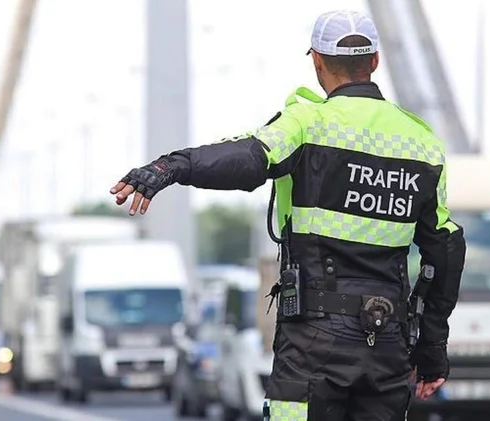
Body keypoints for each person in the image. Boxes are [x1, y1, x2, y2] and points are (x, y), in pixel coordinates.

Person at [109, 10, 466, 420]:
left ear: (316, 60)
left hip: (314, 342)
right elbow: (446, 252)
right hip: (387, 342)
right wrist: (432, 349)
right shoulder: (423, 144)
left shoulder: (308, 123)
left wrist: (170, 167)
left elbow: (246, 157)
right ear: (374, 62)